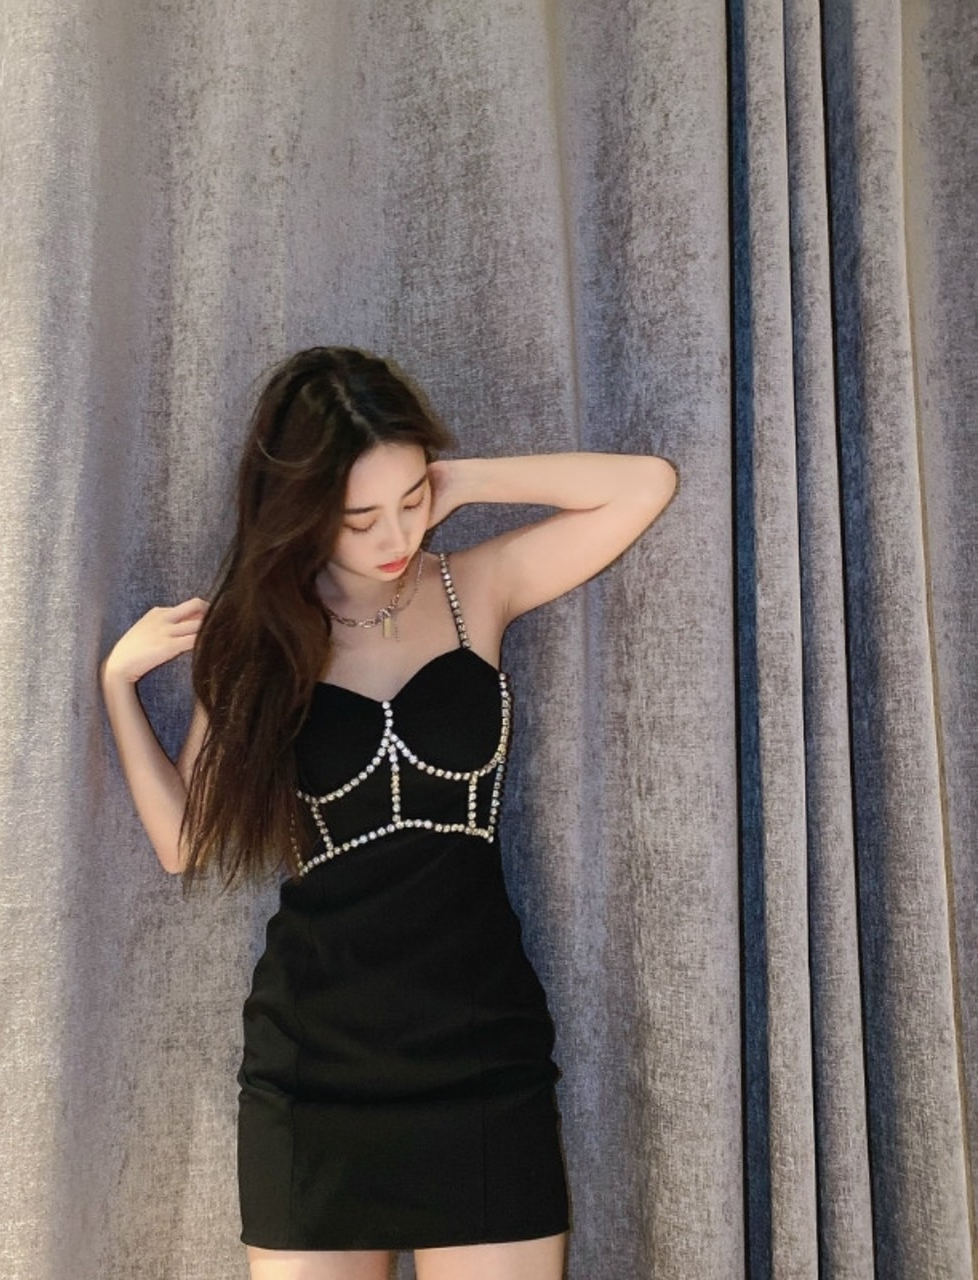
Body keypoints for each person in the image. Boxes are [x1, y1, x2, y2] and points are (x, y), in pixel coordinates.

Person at [100, 346, 678, 1280]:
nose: (393, 536)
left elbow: (644, 486)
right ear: (299, 511)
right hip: (312, 1075)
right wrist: (119, 687)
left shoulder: (472, 587)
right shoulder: (260, 641)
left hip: (481, 1059)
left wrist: (461, 482)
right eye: (360, 517)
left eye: (410, 501)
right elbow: (183, 843)